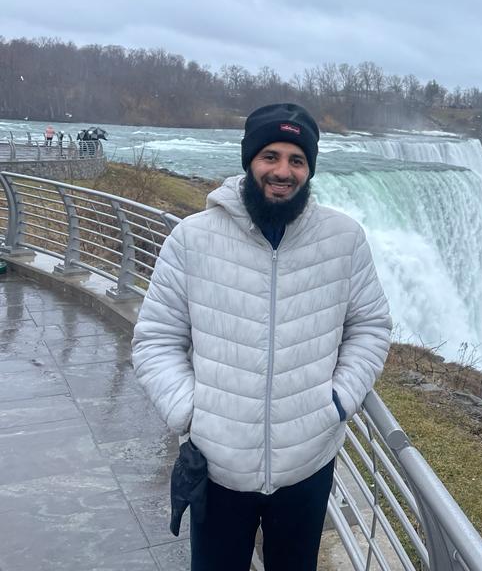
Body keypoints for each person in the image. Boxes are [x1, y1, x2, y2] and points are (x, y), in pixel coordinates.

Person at [132, 102, 392, 571]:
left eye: (297, 160)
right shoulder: (192, 239)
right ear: (249, 160)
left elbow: (370, 327)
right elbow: (155, 340)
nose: (283, 172)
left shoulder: (345, 239)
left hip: (307, 464)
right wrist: (190, 412)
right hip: (218, 466)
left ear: (309, 168)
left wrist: (338, 402)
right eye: (270, 156)